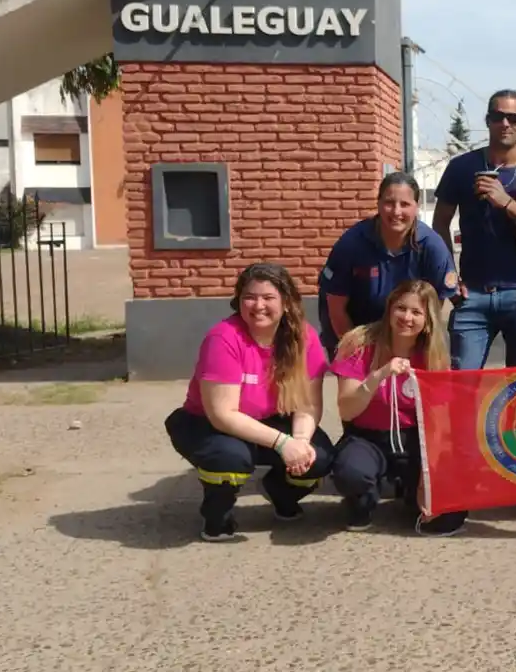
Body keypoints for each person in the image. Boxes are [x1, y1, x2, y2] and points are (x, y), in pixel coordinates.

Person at [164, 262, 336, 542]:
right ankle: (217, 518)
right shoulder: (223, 338)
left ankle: (280, 493)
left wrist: (300, 442)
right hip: (208, 424)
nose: (258, 306)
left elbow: (308, 404)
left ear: (286, 302)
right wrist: (282, 443)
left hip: (270, 418)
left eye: (268, 298)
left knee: (320, 457)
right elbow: (222, 414)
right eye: (249, 297)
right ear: (239, 301)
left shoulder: (305, 337)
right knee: (230, 459)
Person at [433, 89, 516, 370]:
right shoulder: (462, 167)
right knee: (464, 384)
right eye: (498, 116)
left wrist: (508, 204)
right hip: (472, 294)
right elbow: (440, 223)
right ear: (488, 120)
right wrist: (449, 277)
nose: (505, 124)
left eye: (513, 118)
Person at [329, 279, 466, 536]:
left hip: (415, 438)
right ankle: (362, 500)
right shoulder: (359, 343)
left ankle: (410, 493)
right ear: (390, 308)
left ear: (428, 320)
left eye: (416, 312)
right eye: (401, 308)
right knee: (352, 473)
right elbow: (347, 410)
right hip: (367, 435)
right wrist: (378, 375)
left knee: (447, 514)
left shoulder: (434, 354)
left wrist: (430, 479)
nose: (407, 317)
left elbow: (440, 421)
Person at [317, 172, 457, 358]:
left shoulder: (432, 246)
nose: (396, 212)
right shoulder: (351, 244)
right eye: (389, 203)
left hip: (405, 330)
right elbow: (336, 309)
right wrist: (358, 357)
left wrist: (410, 348)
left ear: (416, 207)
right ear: (378, 203)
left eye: (405, 204)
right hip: (353, 330)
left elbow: (433, 307)